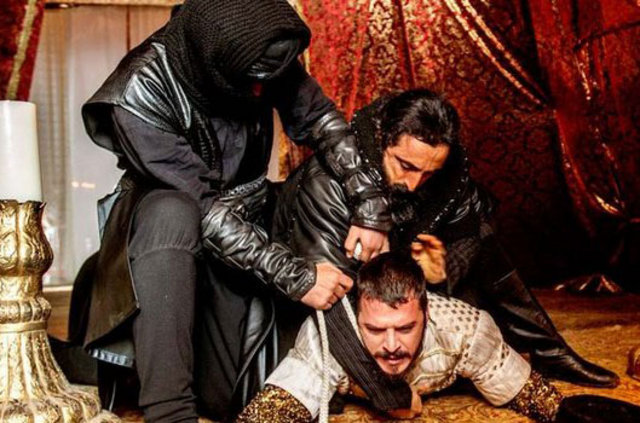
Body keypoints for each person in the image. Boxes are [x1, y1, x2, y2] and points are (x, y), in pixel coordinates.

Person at [78, 0, 393, 421]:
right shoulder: (137, 92)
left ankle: (344, 348)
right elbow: (204, 209)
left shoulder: (263, 49)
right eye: (254, 81)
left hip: (254, 214)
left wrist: (370, 207)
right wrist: (297, 277)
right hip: (175, 228)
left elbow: (321, 120)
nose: (262, 93)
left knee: (329, 172)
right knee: (171, 210)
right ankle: (170, 413)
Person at [271, 89, 618, 394]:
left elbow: (473, 234)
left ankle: (548, 350)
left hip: (398, 285)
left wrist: (442, 269)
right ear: (381, 140)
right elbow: (329, 297)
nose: (414, 183)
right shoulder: (328, 183)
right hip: (332, 300)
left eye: (428, 173)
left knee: (485, 239)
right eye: (405, 165)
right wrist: (388, 395)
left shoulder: (445, 177)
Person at [236, 252, 567, 422]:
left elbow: (530, 393)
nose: (392, 345)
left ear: (426, 312)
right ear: (358, 318)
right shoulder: (325, 335)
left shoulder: (465, 327)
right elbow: (273, 412)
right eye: (375, 330)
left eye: (406, 328)